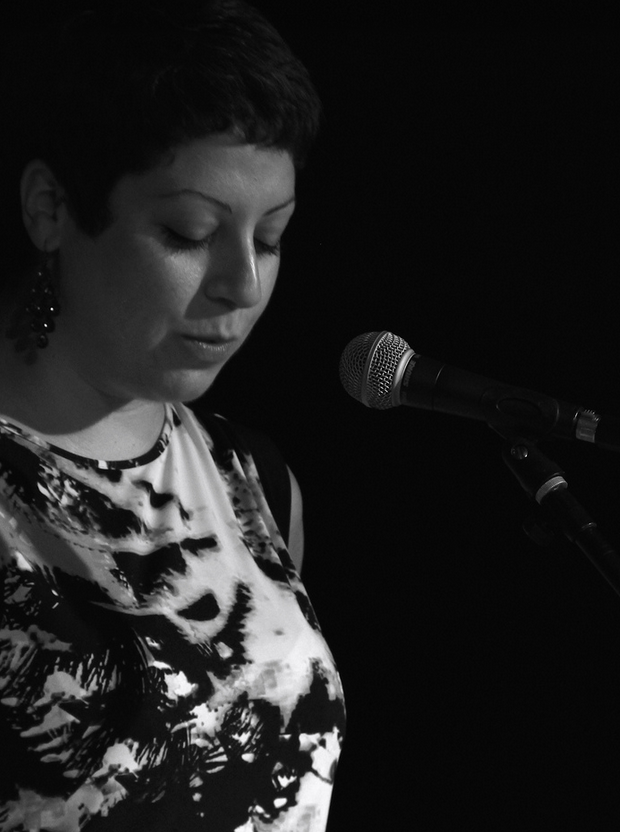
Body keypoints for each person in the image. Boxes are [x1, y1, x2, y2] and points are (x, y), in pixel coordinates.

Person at [0, 2, 345, 830]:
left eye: (269, 238)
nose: (243, 285)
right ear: (51, 208)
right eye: (188, 232)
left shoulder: (255, 485)